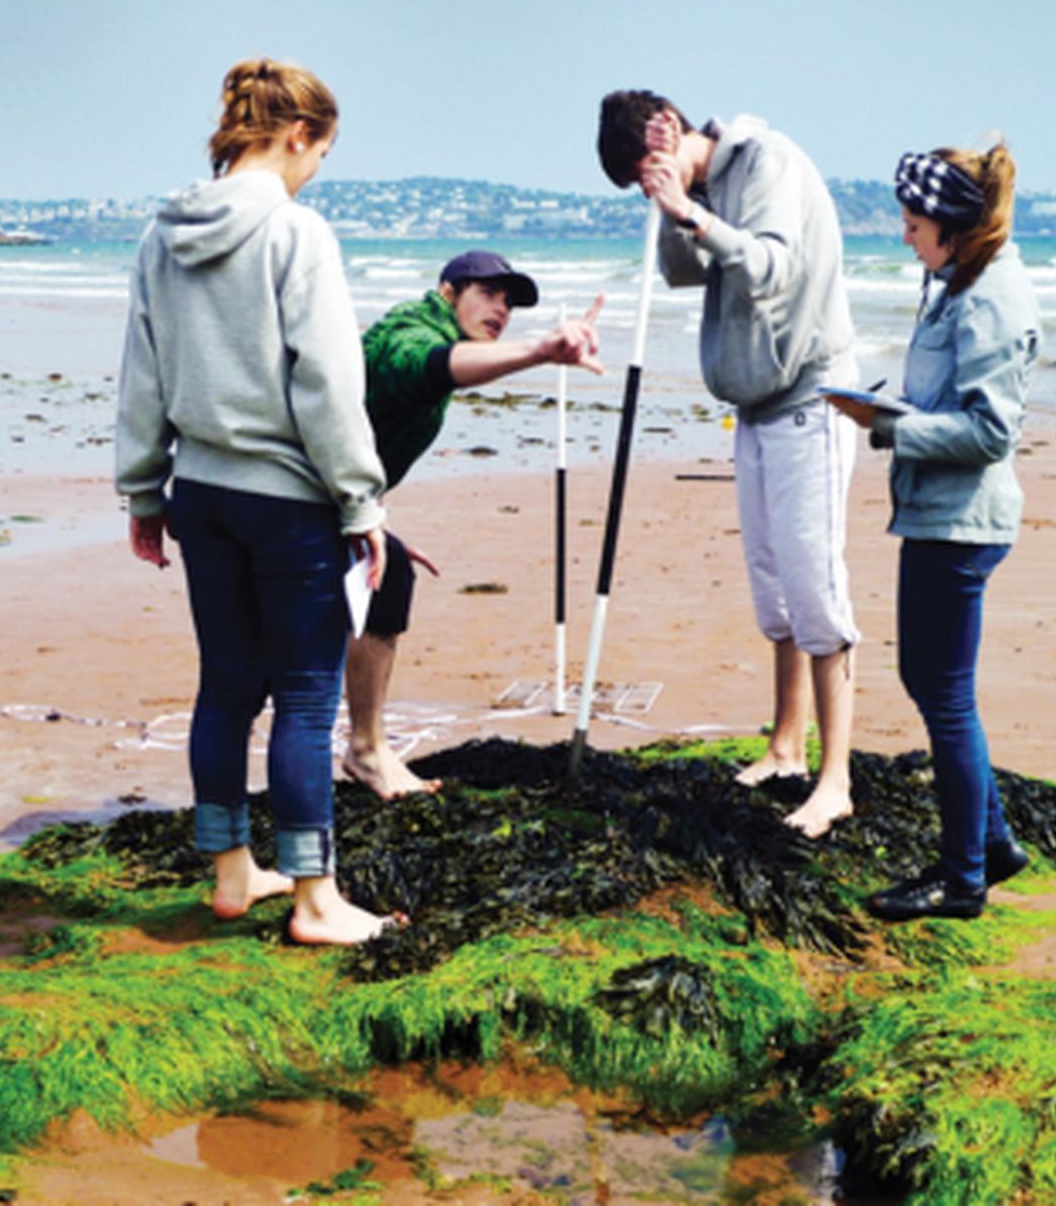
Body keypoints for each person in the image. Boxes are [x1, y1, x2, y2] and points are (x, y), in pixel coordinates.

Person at [116, 57, 399, 946]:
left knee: (226, 688)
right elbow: (325, 381)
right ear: (296, 134)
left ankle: (232, 871)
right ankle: (316, 900)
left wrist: (141, 490)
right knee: (309, 699)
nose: (317, 170)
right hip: (286, 501)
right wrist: (362, 501)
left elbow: (143, 371)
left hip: (199, 492)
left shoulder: (161, 235)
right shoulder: (295, 234)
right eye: (321, 151)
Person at [596, 90, 860, 837]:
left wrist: (689, 210)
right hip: (753, 402)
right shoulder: (701, 188)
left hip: (810, 395)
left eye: (647, 171)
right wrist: (675, 206)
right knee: (774, 589)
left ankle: (835, 777)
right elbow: (684, 271)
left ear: (674, 130)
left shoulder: (767, 163)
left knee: (816, 591)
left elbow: (772, 266)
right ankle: (786, 746)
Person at [828, 142, 1041, 920]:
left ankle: (962, 881)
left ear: (952, 226)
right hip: (942, 515)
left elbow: (990, 433)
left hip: (960, 522)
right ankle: (996, 844)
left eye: (914, 224)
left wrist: (888, 427)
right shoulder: (962, 280)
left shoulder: (989, 298)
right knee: (932, 684)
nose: (905, 236)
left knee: (945, 699)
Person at [345, 252, 603, 797]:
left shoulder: (431, 329)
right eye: (488, 294)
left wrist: (374, 523)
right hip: (293, 496)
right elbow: (429, 364)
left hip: (334, 498)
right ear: (448, 290)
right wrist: (540, 351)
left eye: (509, 303)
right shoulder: (409, 332)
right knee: (272, 655)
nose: (501, 310)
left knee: (391, 576)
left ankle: (366, 748)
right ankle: (365, 751)